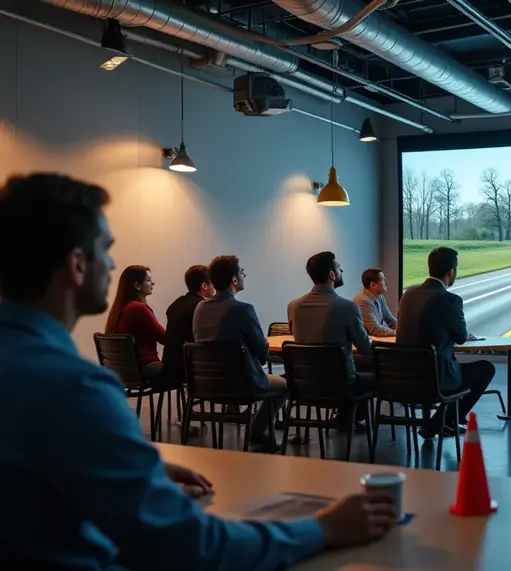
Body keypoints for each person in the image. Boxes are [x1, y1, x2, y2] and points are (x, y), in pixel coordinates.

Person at [0, 173, 396, 570]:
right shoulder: (75, 391)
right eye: (106, 248)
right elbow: (193, 546)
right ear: (76, 266)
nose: (113, 263)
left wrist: (136, 470)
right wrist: (324, 528)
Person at [397, 247, 495, 437]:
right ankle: (443, 421)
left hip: (401, 376)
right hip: (436, 377)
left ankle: (443, 422)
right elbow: (460, 337)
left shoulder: (408, 294)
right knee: (486, 368)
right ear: (451, 271)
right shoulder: (450, 300)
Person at [193, 255, 286, 451]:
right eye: (242, 272)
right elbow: (261, 353)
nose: (244, 275)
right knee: (285, 385)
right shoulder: (243, 310)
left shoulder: (200, 308)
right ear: (234, 280)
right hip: (241, 383)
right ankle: (257, 432)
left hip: (205, 383)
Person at [288, 252, 374, 429]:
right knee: (375, 371)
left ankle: (345, 418)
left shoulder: (294, 306)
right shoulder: (348, 307)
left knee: (354, 363)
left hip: (303, 382)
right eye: (339, 267)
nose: (341, 270)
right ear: (332, 275)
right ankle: (352, 418)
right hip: (342, 385)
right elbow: (365, 348)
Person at [105, 264, 167, 382]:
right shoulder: (139, 309)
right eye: (148, 280)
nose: (152, 283)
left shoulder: (119, 309)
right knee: (183, 368)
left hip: (123, 370)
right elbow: (165, 338)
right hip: (145, 367)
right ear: (137, 285)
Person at [162, 264, 215, 380]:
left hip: (170, 366)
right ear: (204, 286)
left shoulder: (175, 305)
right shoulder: (203, 307)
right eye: (213, 284)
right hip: (191, 369)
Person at [353, 268, 398, 337]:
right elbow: (375, 329)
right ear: (373, 285)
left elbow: (389, 318)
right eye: (383, 279)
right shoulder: (362, 301)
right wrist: (395, 332)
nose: (386, 281)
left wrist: (401, 327)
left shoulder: (380, 297)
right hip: (367, 345)